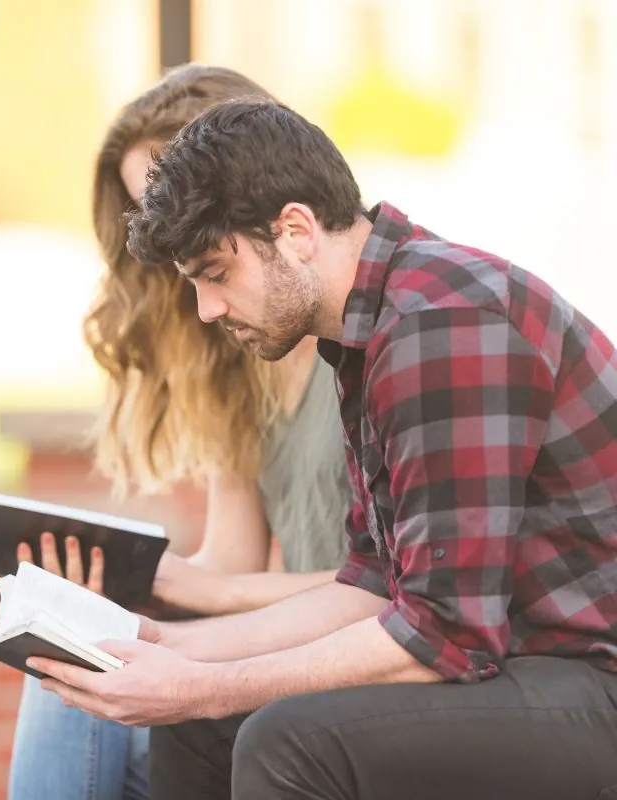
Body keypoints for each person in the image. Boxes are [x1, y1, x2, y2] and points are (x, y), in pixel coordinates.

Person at [32, 97, 617, 799]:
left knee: (283, 740)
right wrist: (166, 648)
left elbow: (444, 635)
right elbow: (371, 586)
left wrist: (206, 686)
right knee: (197, 723)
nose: (207, 311)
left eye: (217, 274)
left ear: (296, 229)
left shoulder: (441, 324)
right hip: (531, 669)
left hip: (591, 680)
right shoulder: (368, 335)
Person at [8, 65, 353, 800]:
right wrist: (122, 593)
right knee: (72, 665)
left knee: (103, 683)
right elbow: (228, 563)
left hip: (337, 662)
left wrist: (192, 603)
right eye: (144, 208)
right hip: (282, 647)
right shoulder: (239, 357)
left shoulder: (354, 336)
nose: (166, 226)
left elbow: (404, 588)